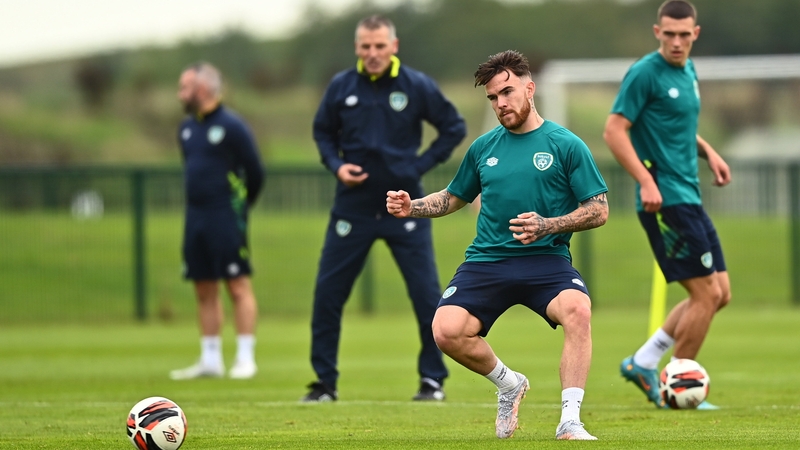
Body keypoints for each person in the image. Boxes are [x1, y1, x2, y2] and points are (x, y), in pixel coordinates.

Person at [388, 50, 608, 440]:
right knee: (445, 331)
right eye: (493, 97)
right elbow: (453, 197)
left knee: (578, 310)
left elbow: (598, 209)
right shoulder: (483, 148)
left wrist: (549, 225)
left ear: (529, 88)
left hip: (546, 260)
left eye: (507, 92)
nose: (500, 103)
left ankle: (570, 420)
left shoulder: (566, 144)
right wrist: (413, 207)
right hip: (487, 261)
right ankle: (509, 384)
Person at [304, 14, 466, 402]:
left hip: (405, 208)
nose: (373, 53)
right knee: (328, 295)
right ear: (357, 48)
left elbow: (453, 127)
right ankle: (324, 383)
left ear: (394, 46)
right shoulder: (342, 86)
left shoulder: (416, 85)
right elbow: (322, 132)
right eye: (366, 46)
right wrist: (336, 165)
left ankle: (432, 381)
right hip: (352, 209)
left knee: (426, 296)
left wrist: (418, 166)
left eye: (380, 45)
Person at [603, 0, 732, 409]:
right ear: (657, 32)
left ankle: (642, 362)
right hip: (665, 199)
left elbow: (676, 128)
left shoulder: (688, 70)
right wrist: (645, 181)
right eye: (669, 34)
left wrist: (708, 152)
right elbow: (614, 130)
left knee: (720, 293)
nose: (677, 42)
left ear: (695, 34)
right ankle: (678, 382)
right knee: (705, 294)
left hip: (688, 195)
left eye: (684, 35)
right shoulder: (645, 73)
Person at [170, 62, 266, 380]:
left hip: (226, 216)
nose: (180, 94)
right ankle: (210, 359)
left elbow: (255, 172)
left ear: (202, 89)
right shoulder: (186, 129)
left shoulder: (232, 126)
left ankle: (245, 358)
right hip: (195, 217)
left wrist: (240, 207)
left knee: (237, 285)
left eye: (184, 87)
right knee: (203, 286)